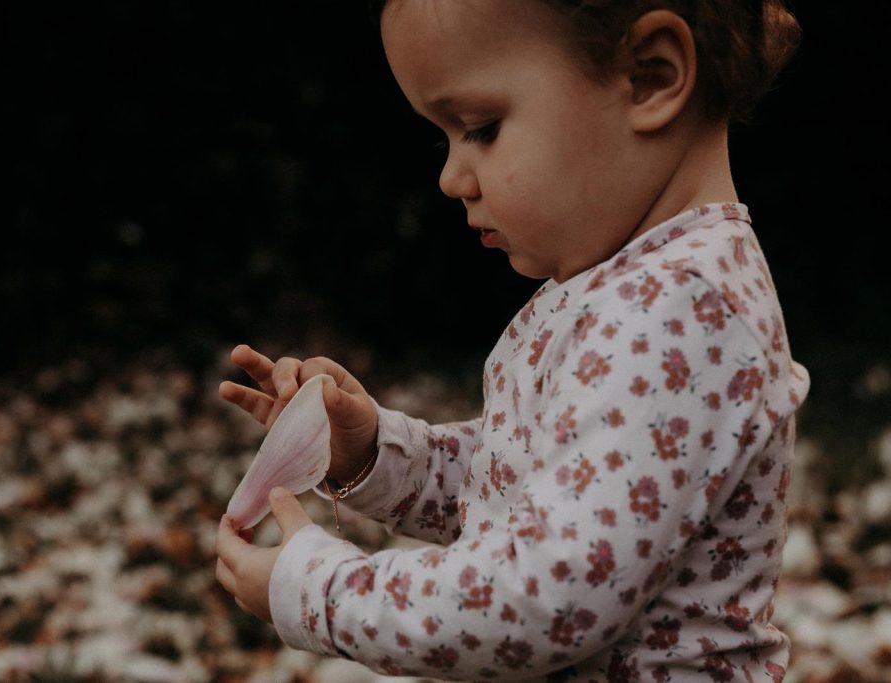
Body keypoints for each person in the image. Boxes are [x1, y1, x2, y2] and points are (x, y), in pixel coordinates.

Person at [215, 0, 808, 679]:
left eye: (482, 129)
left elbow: (544, 597)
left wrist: (319, 592)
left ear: (651, 76)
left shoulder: (686, 309)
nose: (450, 178)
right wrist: (374, 452)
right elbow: (540, 491)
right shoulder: (633, 287)